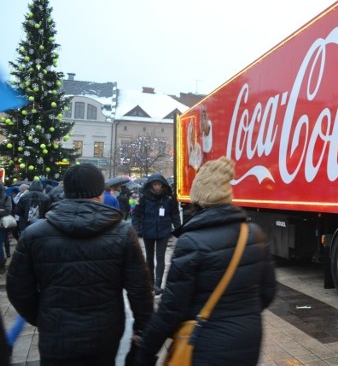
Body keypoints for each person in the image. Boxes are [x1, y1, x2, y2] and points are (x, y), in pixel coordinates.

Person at [133, 156, 276, 366]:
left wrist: (145, 352)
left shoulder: (191, 242)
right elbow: (268, 292)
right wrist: (242, 316)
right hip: (250, 337)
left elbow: (171, 310)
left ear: (199, 198)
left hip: (207, 344)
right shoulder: (254, 233)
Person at [6, 163, 154, 366]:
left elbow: (18, 289)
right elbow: (140, 289)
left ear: (66, 192)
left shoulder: (34, 234)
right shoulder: (122, 233)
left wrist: (42, 317)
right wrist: (142, 328)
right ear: (100, 193)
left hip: (56, 332)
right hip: (105, 332)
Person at [132, 173, 182, 295]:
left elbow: (175, 215)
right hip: (148, 231)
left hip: (164, 231)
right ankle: (150, 283)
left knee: (161, 258)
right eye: (155, 184)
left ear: (163, 185)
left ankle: (157, 285)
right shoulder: (144, 198)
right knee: (149, 258)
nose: (157, 187)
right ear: (151, 185)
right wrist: (136, 229)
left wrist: (179, 230)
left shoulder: (169, 199)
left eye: (159, 184)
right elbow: (137, 214)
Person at [0, 183, 12, 273]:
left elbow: (8, 210)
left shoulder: (6, 197)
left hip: (1, 224)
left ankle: (1, 265)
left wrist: (2, 211)